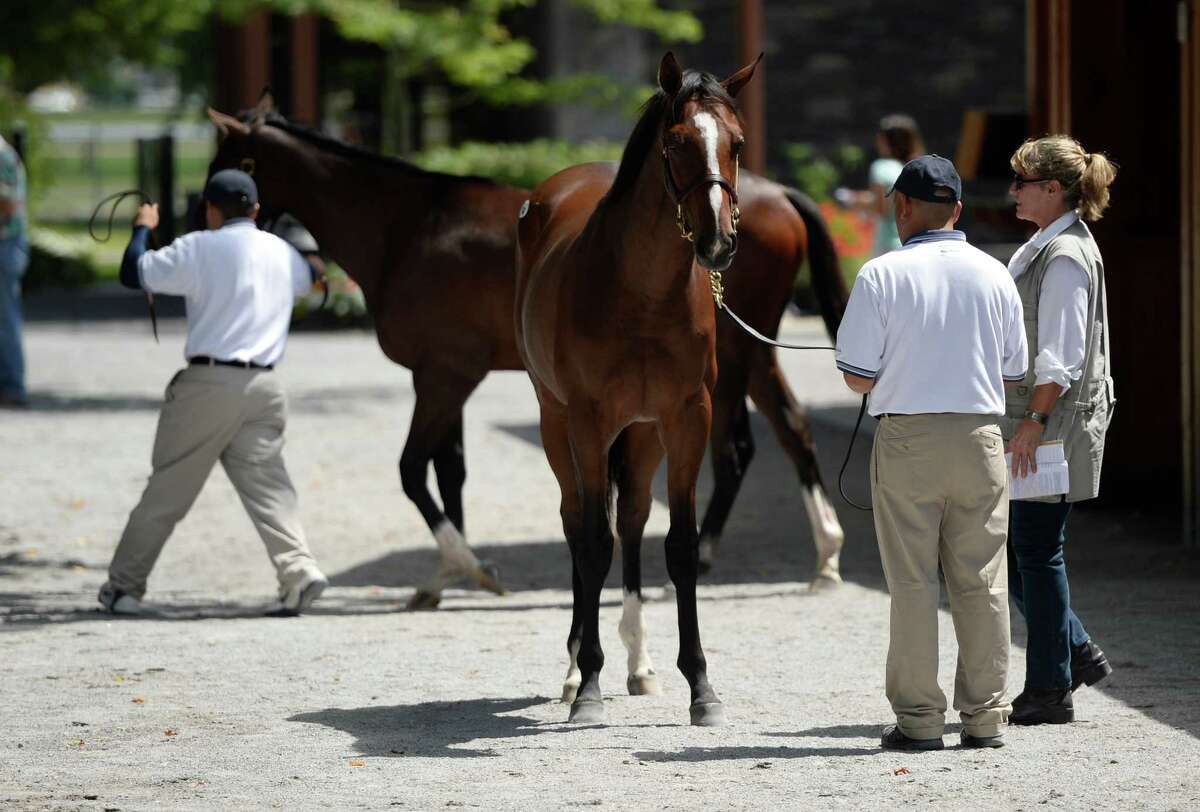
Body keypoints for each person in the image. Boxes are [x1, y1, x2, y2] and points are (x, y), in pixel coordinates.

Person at [836, 155, 1028, 751]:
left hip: (909, 439)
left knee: (914, 583)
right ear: (960, 210)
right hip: (979, 437)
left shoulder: (881, 275)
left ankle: (919, 720)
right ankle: (987, 716)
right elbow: (1015, 368)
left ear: (902, 208)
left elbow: (857, 379)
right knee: (982, 580)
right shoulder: (996, 273)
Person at [98, 169, 328, 616]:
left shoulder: (199, 246)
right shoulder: (282, 254)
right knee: (269, 489)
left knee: (167, 491)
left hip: (209, 384)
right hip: (265, 387)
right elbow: (312, 277)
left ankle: (123, 586)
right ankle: (299, 571)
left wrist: (143, 227)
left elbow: (133, 272)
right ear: (256, 210)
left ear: (210, 209)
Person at [1003, 135, 1118, 725]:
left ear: (1053, 189)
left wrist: (1034, 421)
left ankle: (1051, 686)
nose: (1013, 191)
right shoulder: (1050, 245)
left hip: (1049, 423)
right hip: (1041, 421)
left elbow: (1062, 355)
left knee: (1036, 552)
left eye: (1022, 182)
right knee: (1025, 554)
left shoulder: (1067, 255)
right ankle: (1073, 652)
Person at [835, 113, 925, 257]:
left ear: (885, 141)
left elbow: (881, 208)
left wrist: (852, 201)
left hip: (889, 246)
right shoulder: (921, 168)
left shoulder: (882, 168)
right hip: (917, 244)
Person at [0, 133, 29, 407]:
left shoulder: (1, 155)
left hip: (5, 245)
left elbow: (8, 203)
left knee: (5, 320)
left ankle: (12, 385)